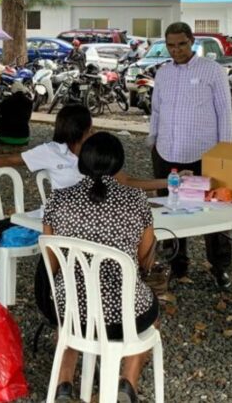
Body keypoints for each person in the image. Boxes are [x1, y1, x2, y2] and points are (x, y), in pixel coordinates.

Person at [39, 132, 158, 403]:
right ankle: (126, 384)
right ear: (118, 163)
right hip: (124, 315)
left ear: (83, 162)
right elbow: (143, 261)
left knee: (66, 318)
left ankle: (64, 385)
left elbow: (51, 262)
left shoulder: (58, 200)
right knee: (151, 315)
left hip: (74, 313)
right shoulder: (136, 199)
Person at [148, 21, 232, 289]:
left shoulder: (212, 70)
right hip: (166, 152)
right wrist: (153, 140)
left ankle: (220, 266)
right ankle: (176, 263)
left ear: (192, 41)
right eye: (171, 46)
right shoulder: (162, 73)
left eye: (181, 44)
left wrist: (225, 152)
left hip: (204, 154)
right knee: (169, 210)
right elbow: (156, 110)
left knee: (212, 212)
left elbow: (225, 113)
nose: (176, 50)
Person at [0, 104, 168, 192]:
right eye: (90, 127)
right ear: (81, 129)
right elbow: (11, 160)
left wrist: (170, 182)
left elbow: (127, 181)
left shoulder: (95, 150)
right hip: (65, 217)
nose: (93, 130)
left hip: (98, 214)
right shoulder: (51, 151)